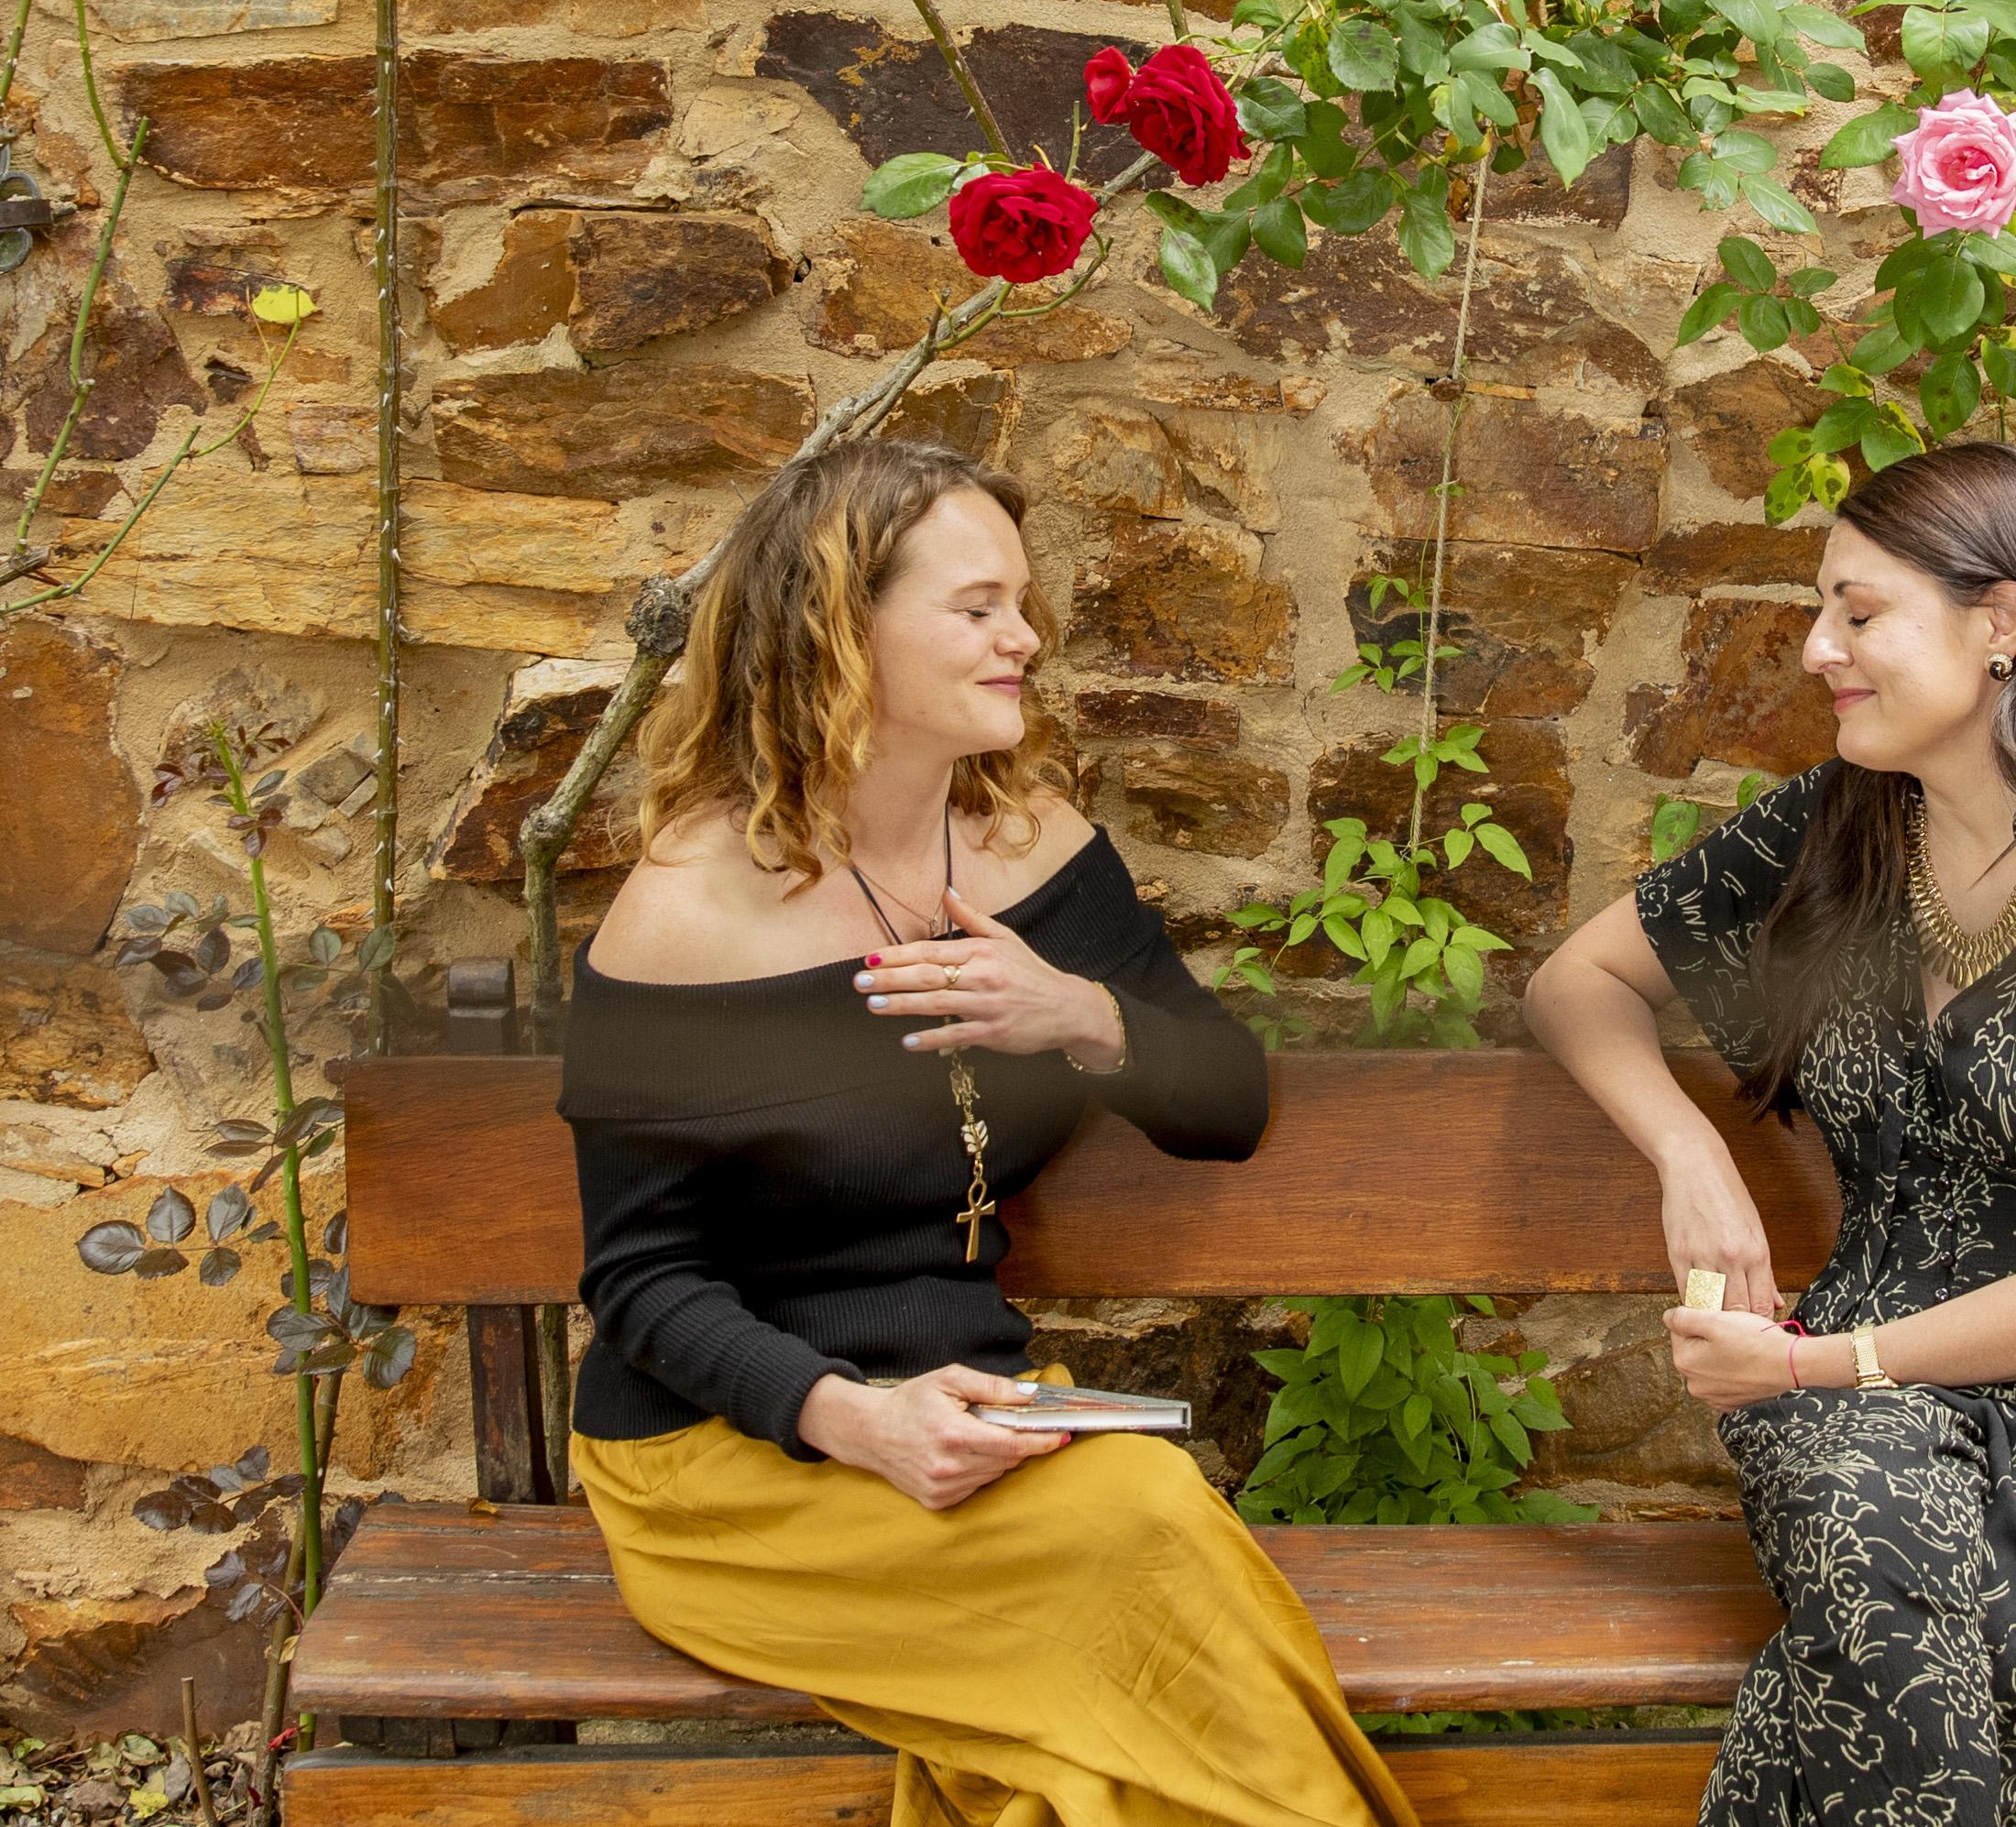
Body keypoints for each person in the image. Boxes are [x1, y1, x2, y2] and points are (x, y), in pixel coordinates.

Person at [560, 436, 1419, 1827]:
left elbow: (1229, 1105)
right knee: (1142, 1529)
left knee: (1096, 1712)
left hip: (966, 1420)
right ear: (844, 629)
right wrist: (852, 1419)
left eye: (1022, 601)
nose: (1025, 637)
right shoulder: (689, 915)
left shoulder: (1033, 845)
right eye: (977, 607)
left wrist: (1080, 1013)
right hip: (732, 1462)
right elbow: (643, 1284)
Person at [1523, 440, 2016, 1826]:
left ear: (2002, 623)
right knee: (1847, 1485)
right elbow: (1576, 984)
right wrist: (1691, 1158)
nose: (1820, 646)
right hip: (1864, 1390)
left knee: (1859, 1561)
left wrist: (1824, 1363)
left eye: (1860, 611)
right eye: (1824, 608)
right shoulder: (1838, 826)